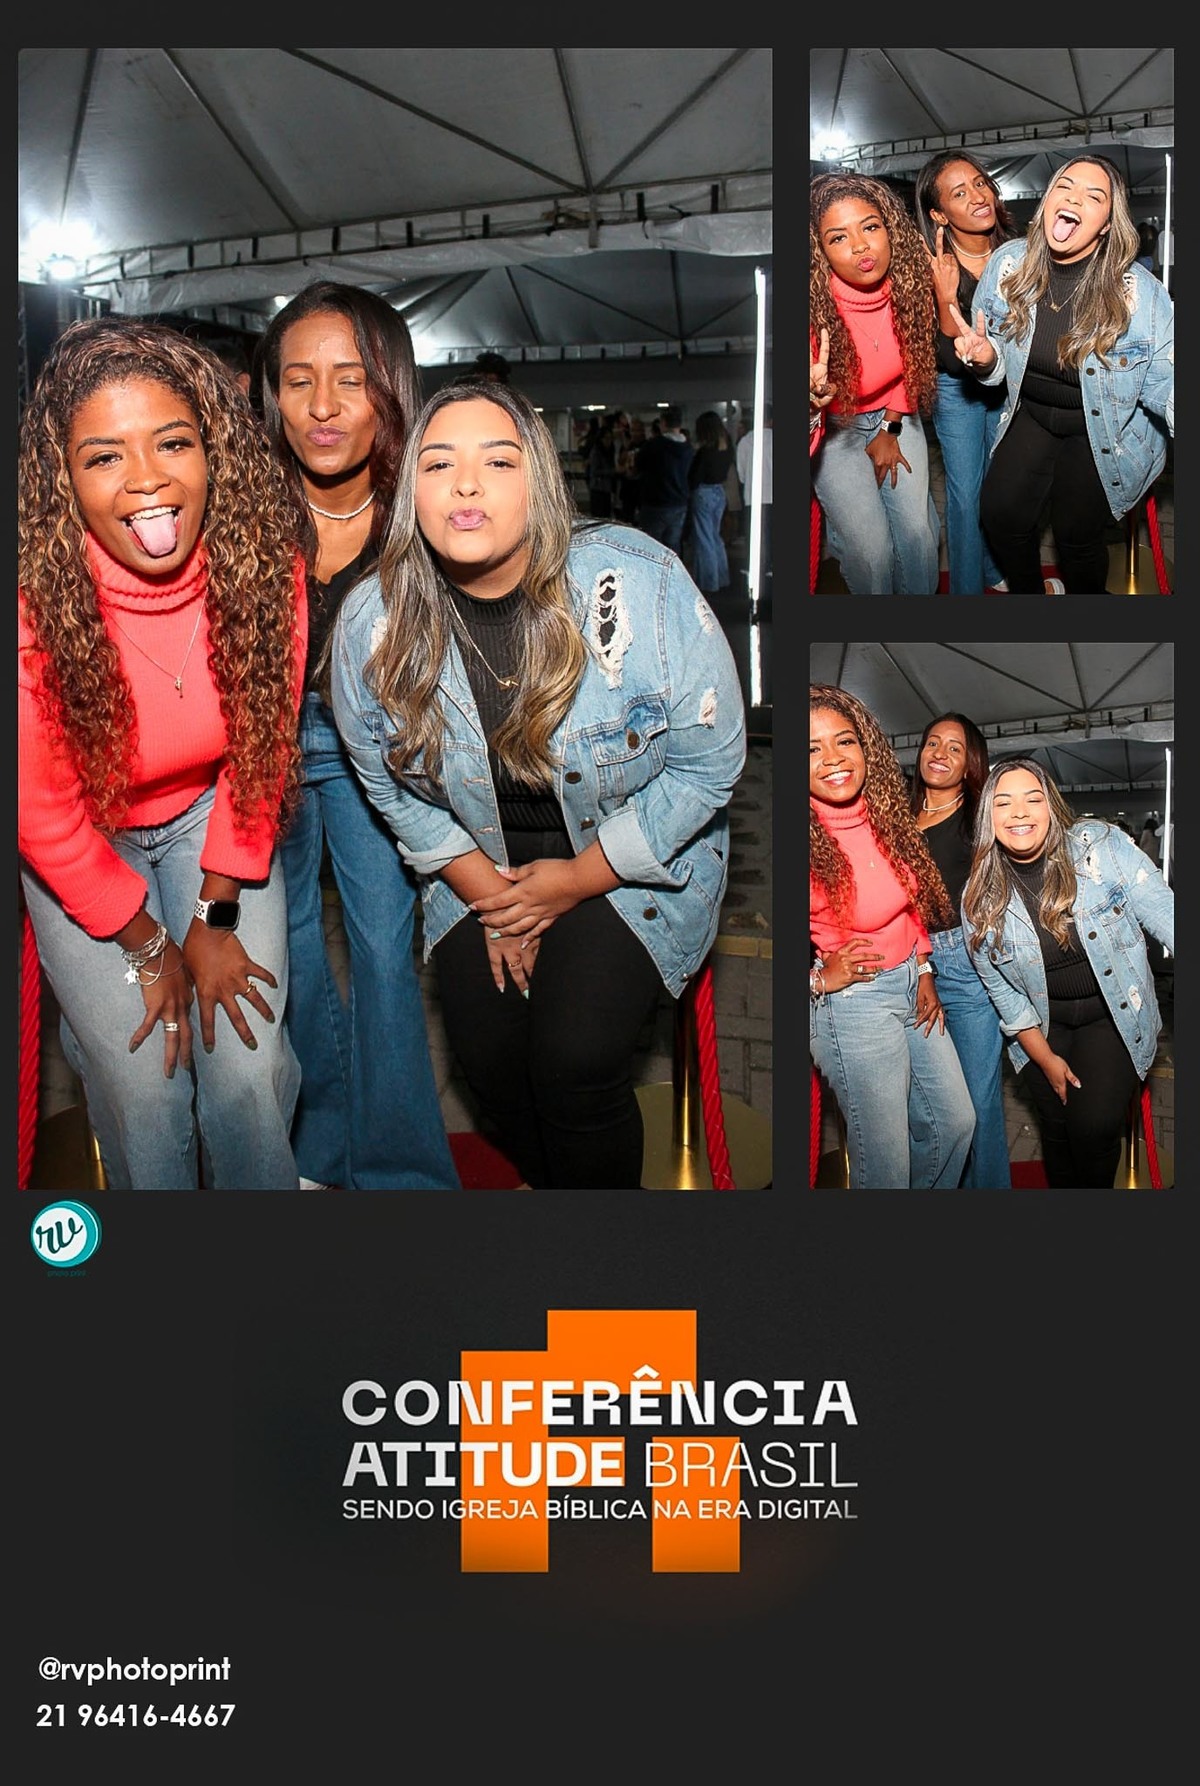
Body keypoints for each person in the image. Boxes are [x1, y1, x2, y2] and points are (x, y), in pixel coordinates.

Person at [329, 378, 747, 1190]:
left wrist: (572, 883)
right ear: (411, 489)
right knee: (490, 1067)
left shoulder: (640, 584)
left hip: (632, 854)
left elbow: (712, 763)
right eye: (438, 463)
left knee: (574, 1063)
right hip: (478, 858)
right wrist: (496, 898)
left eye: (498, 461)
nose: (466, 484)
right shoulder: (372, 623)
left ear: (541, 482)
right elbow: (386, 781)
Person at [18, 317, 308, 1189]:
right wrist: (150, 948)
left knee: (247, 1066)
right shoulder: (31, 601)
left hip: (210, 817)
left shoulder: (264, 565)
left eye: (173, 442)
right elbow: (41, 814)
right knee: (146, 1080)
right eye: (104, 456)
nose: (147, 478)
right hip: (84, 838)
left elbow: (261, 752)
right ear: (63, 478)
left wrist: (213, 918)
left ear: (214, 451)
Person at [254, 280, 460, 1190]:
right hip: (265, 748)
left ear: (389, 385)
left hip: (383, 752)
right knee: (287, 946)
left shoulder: (426, 505)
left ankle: (403, 1177)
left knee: (382, 953)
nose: (324, 405)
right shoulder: (245, 502)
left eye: (349, 378)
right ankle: (318, 1153)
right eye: (299, 379)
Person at [949, 155, 1174, 595]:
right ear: (1048, 199)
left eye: (1094, 196)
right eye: (1064, 187)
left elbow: (1167, 382)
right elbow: (995, 359)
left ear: (1107, 224)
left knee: (1076, 535)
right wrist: (986, 359)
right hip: (1034, 412)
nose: (1073, 198)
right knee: (1000, 514)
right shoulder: (1009, 264)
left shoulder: (1139, 294)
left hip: (1101, 428)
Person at [962, 759, 1174, 1188]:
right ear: (988, 818)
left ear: (1051, 806)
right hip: (1042, 1025)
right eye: (1003, 803)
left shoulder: (1101, 849)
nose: (1019, 813)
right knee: (1056, 1131)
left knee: (1091, 1129)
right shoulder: (979, 898)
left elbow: (1166, 913)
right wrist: (1044, 1059)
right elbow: (1004, 994)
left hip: (1112, 1015)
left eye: (1032, 799)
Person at [809, 684, 975, 1189]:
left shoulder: (885, 812)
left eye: (845, 741)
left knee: (955, 1124)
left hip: (911, 984)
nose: (833, 759)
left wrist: (923, 967)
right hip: (856, 1003)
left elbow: (909, 904)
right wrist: (816, 980)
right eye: (811, 749)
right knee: (887, 1164)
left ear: (867, 748)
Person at [809, 173, 941, 594]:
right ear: (820, 251)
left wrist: (891, 426)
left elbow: (915, 363)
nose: (860, 246)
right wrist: (811, 403)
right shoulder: (813, 307)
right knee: (871, 553)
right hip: (836, 430)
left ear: (890, 230)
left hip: (895, 413)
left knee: (919, 536)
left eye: (870, 227)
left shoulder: (911, 283)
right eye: (838, 237)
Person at [910, 713, 1011, 1187]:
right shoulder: (898, 812)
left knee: (977, 1104)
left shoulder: (979, 818)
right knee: (931, 1105)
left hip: (964, 965)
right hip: (908, 961)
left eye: (955, 748)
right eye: (933, 743)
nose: (940, 754)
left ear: (970, 762)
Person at [914, 151, 1018, 594]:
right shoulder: (929, 266)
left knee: (999, 487)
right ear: (939, 215)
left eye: (979, 183)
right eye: (959, 193)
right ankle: (967, 591)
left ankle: (992, 568)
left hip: (1008, 385)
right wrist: (944, 296)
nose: (978, 197)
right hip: (956, 387)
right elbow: (949, 357)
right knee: (964, 493)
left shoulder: (1018, 253)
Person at [685, 410, 734, 594]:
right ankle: (722, 578)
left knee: (704, 539)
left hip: (703, 493)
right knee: (715, 537)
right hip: (719, 492)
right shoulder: (727, 447)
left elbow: (694, 477)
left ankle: (708, 583)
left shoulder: (705, 452)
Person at [635, 403, 692, 550]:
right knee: (673, 546)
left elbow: (639, 465)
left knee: (652, 546)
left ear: (663, 423)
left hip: (656, 503)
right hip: (679, 502)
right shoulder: (688, 448)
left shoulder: (654, 445)